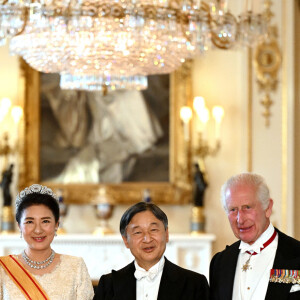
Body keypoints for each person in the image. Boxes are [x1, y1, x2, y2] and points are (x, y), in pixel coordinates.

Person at [209, 173, 300, 300]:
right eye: (233, 210)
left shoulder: (297, 255)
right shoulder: (220, 262)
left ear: (268, 208)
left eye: (247, 207)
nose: (240, 220)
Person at [93, 202, 209, 300]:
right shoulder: (108, 285)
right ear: (126, 240)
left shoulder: (194, 284)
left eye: (153, 229)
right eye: (138, 232)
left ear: (166, 234)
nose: (147, 239)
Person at [0, 184, 94, 299]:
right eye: (29, 222)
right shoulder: (3, 268)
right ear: (19, 226)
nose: (38, 230)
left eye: (45, 221)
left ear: (57, 224)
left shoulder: (76, 267)